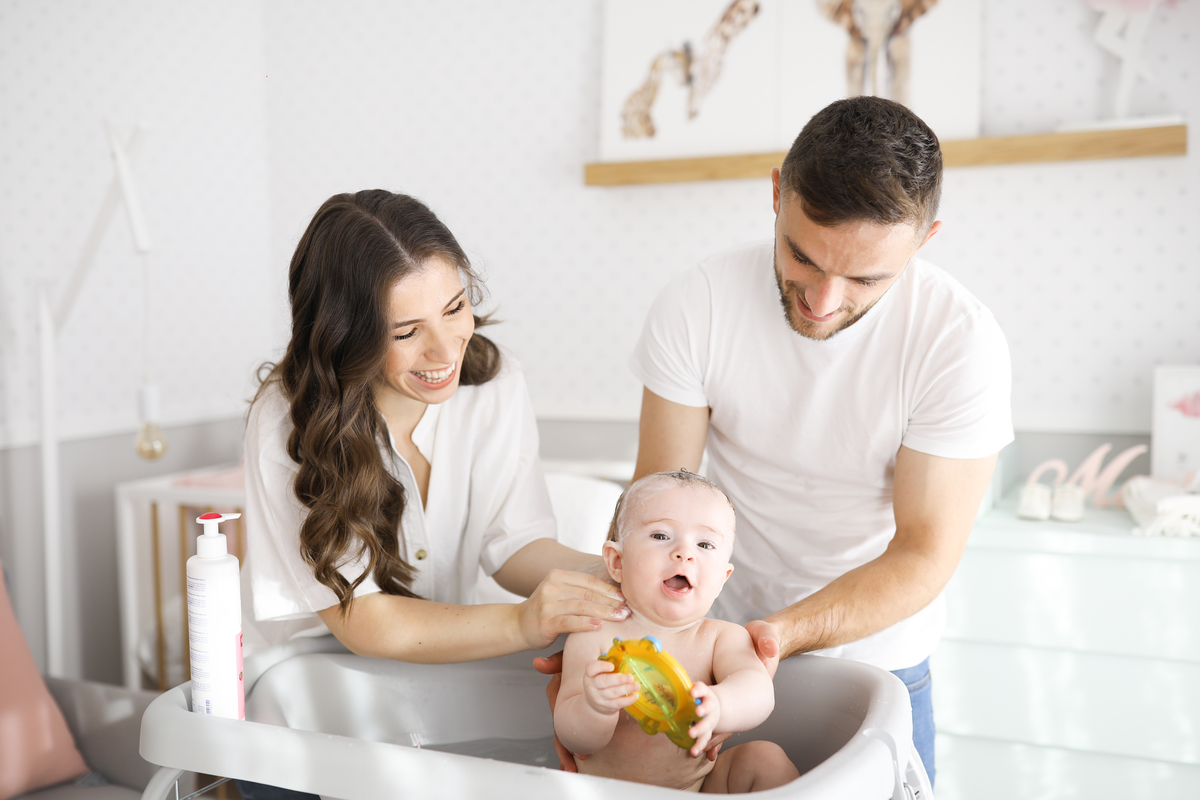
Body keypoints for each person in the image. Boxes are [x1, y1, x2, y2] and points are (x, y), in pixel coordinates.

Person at [626, 96, 1014, 784]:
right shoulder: (701, 303)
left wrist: (775, 636)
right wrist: (609, 638)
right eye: (801, 257)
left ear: (924, 240)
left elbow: (924, 554)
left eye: (866, 278)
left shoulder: (959, 343)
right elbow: (658, 504)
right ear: (777, 194)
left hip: (879, 660)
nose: (823, 301)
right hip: (710, 649)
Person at [239, 190, 628, 798]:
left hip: (435, 681)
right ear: (346, 337)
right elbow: (363, 619)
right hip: (301, 702)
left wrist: (619, 575)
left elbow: (515, 543)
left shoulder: (495, 384)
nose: (446, 350)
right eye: (407, 331)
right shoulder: (287, 421)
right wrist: (525, 622)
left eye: (455, 307)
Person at [553, 470, 799, 793]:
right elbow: (573, 737)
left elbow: (759, 691)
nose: (685, 552)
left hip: (695, 788)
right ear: (617, 562)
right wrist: (593, 707)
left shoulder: (720, 638)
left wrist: (721, 705)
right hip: (605, 794)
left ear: (723, 577)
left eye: (705, 543)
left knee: (765, 759)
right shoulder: (593, 635)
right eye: (660, 536)